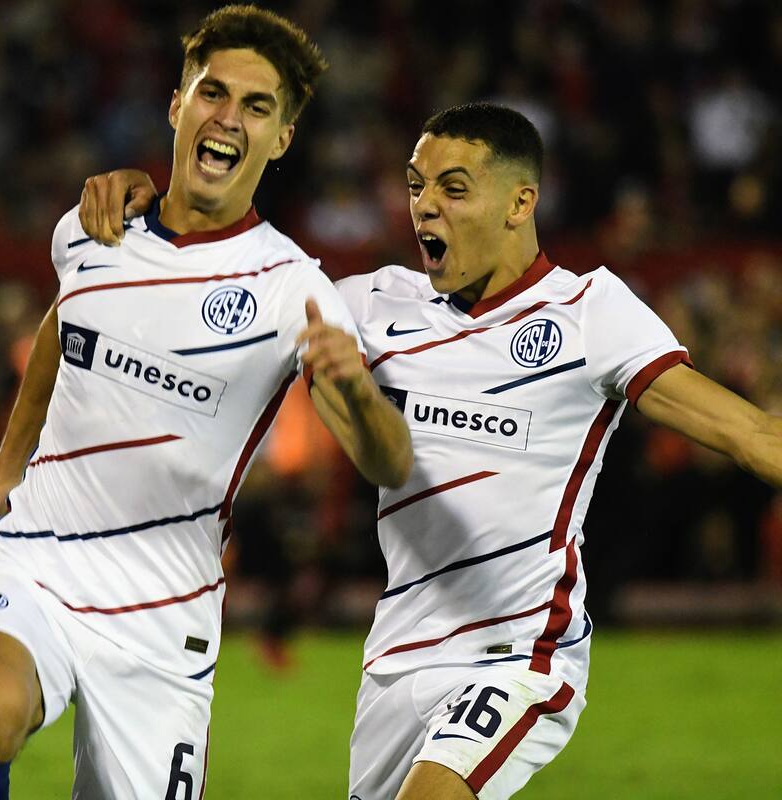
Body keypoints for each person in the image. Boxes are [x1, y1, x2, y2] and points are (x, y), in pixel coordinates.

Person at [79, 101, 781, 799]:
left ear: (519, 203)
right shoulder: (372, 304)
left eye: (453, 188)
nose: (425, 208)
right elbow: (212, 293)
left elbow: (747, 433)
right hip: (396, 661)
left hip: (518, 655)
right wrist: (157, 215)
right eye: (416, 186)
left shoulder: (590, 312)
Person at [0, 7, 413, 800]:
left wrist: (357, 388)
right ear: (177, 103)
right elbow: (62, 326)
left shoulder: (294, 290)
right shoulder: (91, 230)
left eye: (258, 107)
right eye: (213, 93)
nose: (229, 118)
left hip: (163, 608)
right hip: (39, 554)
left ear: (282, 138)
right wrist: (3, 473)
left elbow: (386, 460)